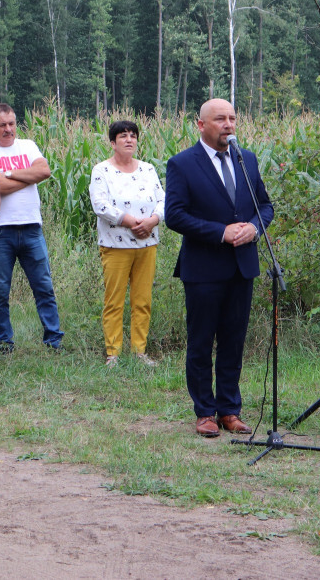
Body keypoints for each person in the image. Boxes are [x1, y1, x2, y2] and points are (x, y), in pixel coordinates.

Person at [165, 98, 274, 438]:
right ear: (200, 125)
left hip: (242, 266)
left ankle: (229, 409)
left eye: (232, 118)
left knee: (233, 341)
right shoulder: (183, 163)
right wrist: (220, 232)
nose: (228, 124)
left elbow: (265, 206)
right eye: (220, 119)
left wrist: (255, 228)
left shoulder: (247, 159)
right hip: (203, 268)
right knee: (201, 342)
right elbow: (175, 215)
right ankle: (204, 412)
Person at [0, 103, 64, 354]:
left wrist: (8, 175)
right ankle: (4, 342)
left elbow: (44, 171)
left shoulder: (28, 146)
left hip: (31, 229)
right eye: (2, 125)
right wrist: (26, 177)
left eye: (12, 124)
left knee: (44, 287)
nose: (9, 129)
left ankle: (53, 340)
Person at [89, 120, 165, 368]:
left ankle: (139, 352)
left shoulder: (148, 169)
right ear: (113, 143)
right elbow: (101, 206)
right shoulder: (102, 171)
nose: (129, 140)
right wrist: (133, 222)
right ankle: (113, 353)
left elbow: (163, 201)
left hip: (146, 245)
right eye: (123, 136)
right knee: (114, 300)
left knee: (142, 300)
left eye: (133, 135)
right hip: (115, 245)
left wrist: (153, 220)